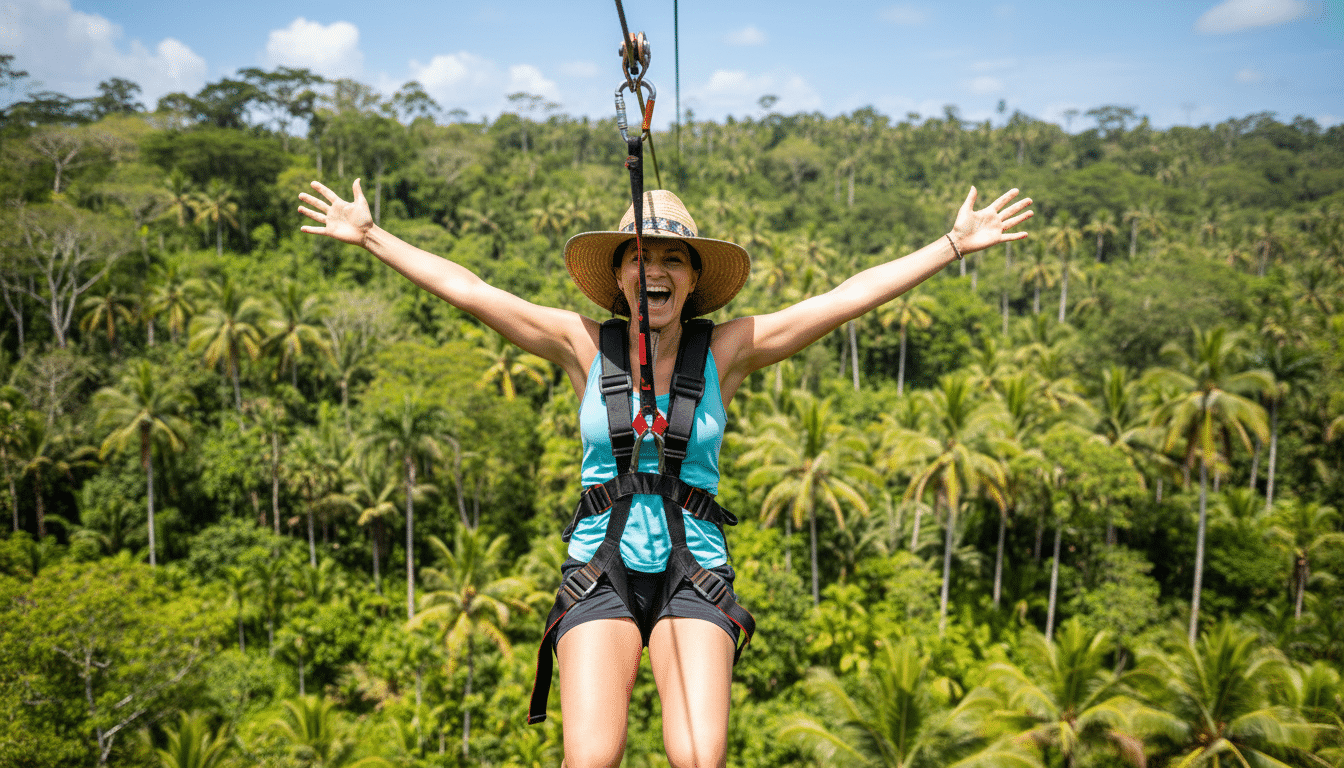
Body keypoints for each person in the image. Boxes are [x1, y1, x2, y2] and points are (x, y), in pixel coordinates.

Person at [298, 179, 1032, 768]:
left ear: (692, 282)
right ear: (618, 278)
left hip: (694, 573)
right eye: (638, 258)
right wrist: (371, 237)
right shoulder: (581, 344)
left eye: (673, 260)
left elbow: (841, 299)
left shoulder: (729, 352)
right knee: (591, 756)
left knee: (698, 755)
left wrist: (951, 246)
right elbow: (474, 291)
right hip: (600, 569)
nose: (654, 269)